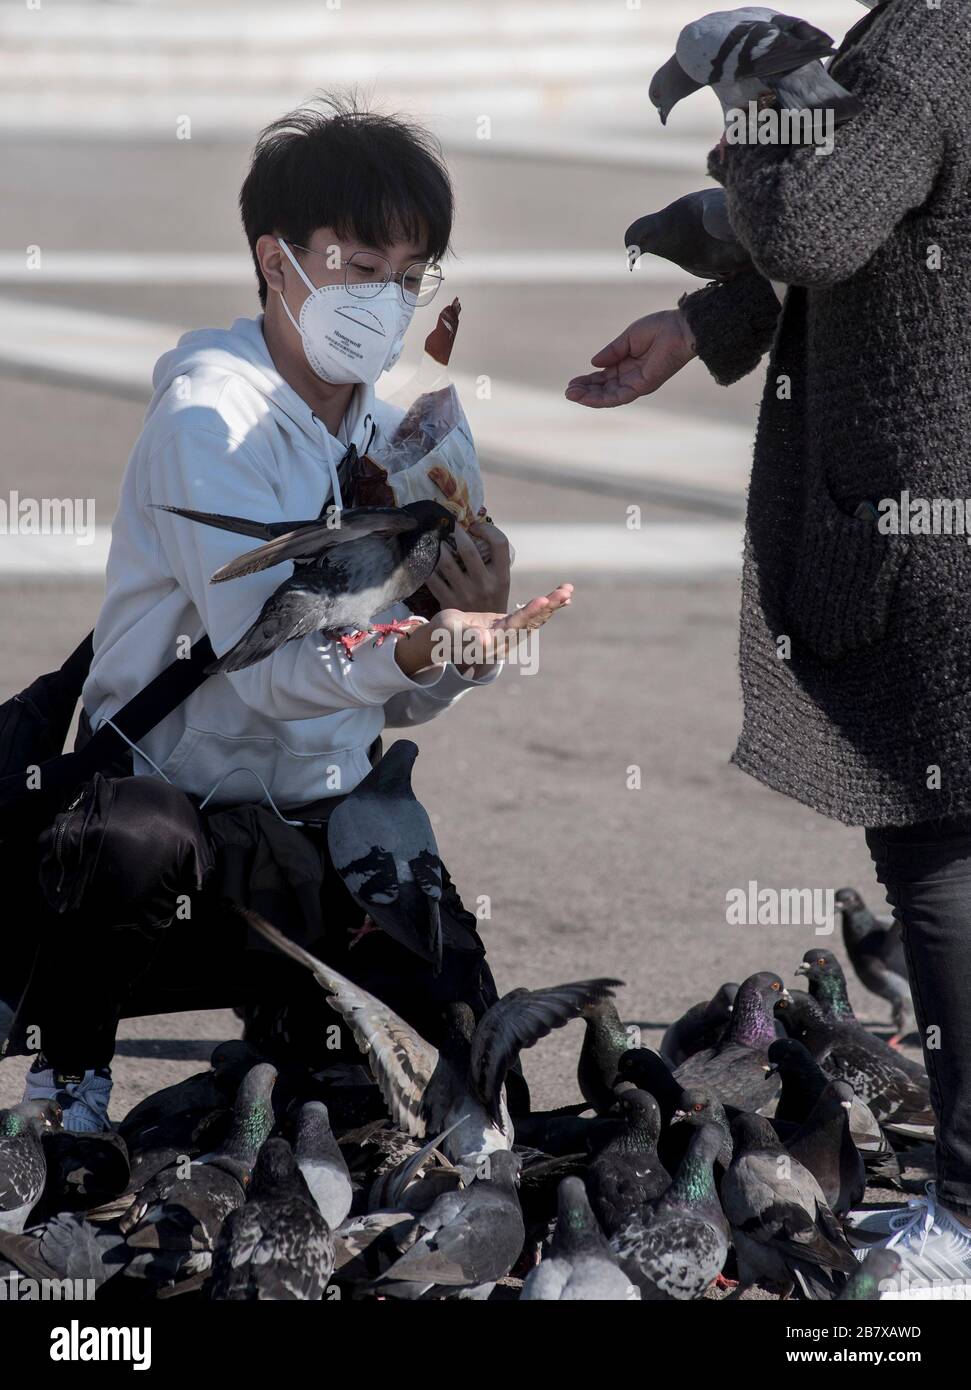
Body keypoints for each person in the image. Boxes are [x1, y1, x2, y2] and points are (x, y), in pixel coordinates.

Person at [13, 96, 572, 1131]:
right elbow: (270, 668)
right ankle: (66, 1089)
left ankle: (291, 1035)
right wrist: (410, 646)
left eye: (410, 278)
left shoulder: (412, 434)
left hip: (322, 834)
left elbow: (382, 705)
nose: (388, 301)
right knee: (133, 837)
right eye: (360, 268)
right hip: (169, 840)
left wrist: (462, 644)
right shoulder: (207, 421)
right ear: (278, 262)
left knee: (480, 1112)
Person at [568, 0, 971, 1292]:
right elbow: (895, 234)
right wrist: (703, 325)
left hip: (925, 532)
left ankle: (961, 1218)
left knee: (941, 867)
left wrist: (746, 88)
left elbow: (811, 219)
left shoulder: (921, 41)